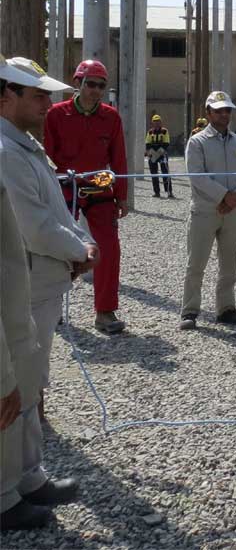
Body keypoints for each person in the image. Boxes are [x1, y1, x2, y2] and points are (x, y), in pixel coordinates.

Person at [1, 55, 99, 531]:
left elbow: (58, 211)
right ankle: (3, 494)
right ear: (6, 96)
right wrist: (80, 249)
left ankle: (28, 475)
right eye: (36, 94)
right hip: (22, 282)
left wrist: (82, 244)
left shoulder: (24, 146)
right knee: (13, 386)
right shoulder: (4, 151)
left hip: (40, 280)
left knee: (32, 380)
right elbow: (34, 226)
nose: (47, 102)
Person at [44, 59, 128, 335]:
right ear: (77, 83)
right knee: (58, 246)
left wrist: (121, 196)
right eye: (90, 84)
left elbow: (119, 159)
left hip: (98, 188)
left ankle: (105, 312)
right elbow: (46, 156)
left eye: (101, 85)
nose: (96, 90)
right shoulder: (55, 115)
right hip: (65, 187)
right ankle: (52, 307)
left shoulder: (111, 117)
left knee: (109, 249)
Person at [179, 91, 236, 330]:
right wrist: (225, 196)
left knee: (230, 264)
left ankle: (226, 308)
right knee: (196, 263)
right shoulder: (197, 142)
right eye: (219, 110)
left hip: (233, 212)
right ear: (208, 112)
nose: (224, 114)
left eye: (228, 110)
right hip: (205, 211)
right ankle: (190, 310)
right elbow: (196, 176)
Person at [145, 114, 174, 198]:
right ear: (152, 123)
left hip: (162, 154)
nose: (156, 123)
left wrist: (159, 153)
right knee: (154, 174)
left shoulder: (164, 131)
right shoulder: (150, 132)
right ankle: (156, 192)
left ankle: (169, 191)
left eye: (158, 121)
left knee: (165, 173)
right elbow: (147, 143)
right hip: (153, 154)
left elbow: (166, 143)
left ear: (160, 122)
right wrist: (151, 153)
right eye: (155, 121)